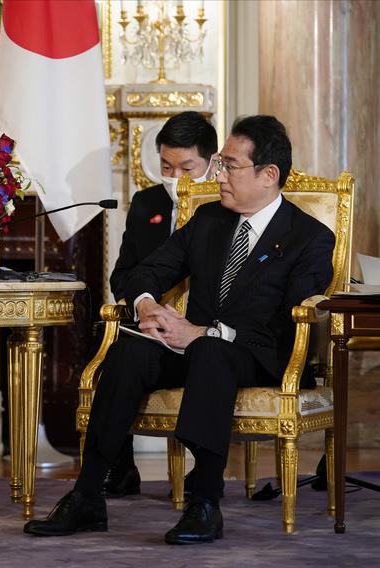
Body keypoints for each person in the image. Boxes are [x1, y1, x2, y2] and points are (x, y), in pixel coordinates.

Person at [24, 115, 335, 544]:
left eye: (229, 166)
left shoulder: (309, 236)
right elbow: (146, 271)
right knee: (131, 351)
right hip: (192, 348)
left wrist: (207, 332)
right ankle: (88, 495)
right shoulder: (209, 220)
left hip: (259, 356)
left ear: (268, 175)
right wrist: (149, 307)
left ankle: (204, 503)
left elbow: (286, 323)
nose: (219, 175)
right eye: (220, 164)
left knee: (210, 351)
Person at [105, 111, 217, 498]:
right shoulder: (146, 203)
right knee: (114, 353)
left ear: (211, 163)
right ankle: (118, 468)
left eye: (188, 168)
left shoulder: (229, 204)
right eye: (167, 167)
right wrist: (147, 305)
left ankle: (204, 474)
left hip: (207, 327)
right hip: (152, 323)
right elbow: (122, 275)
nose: (177, 178)